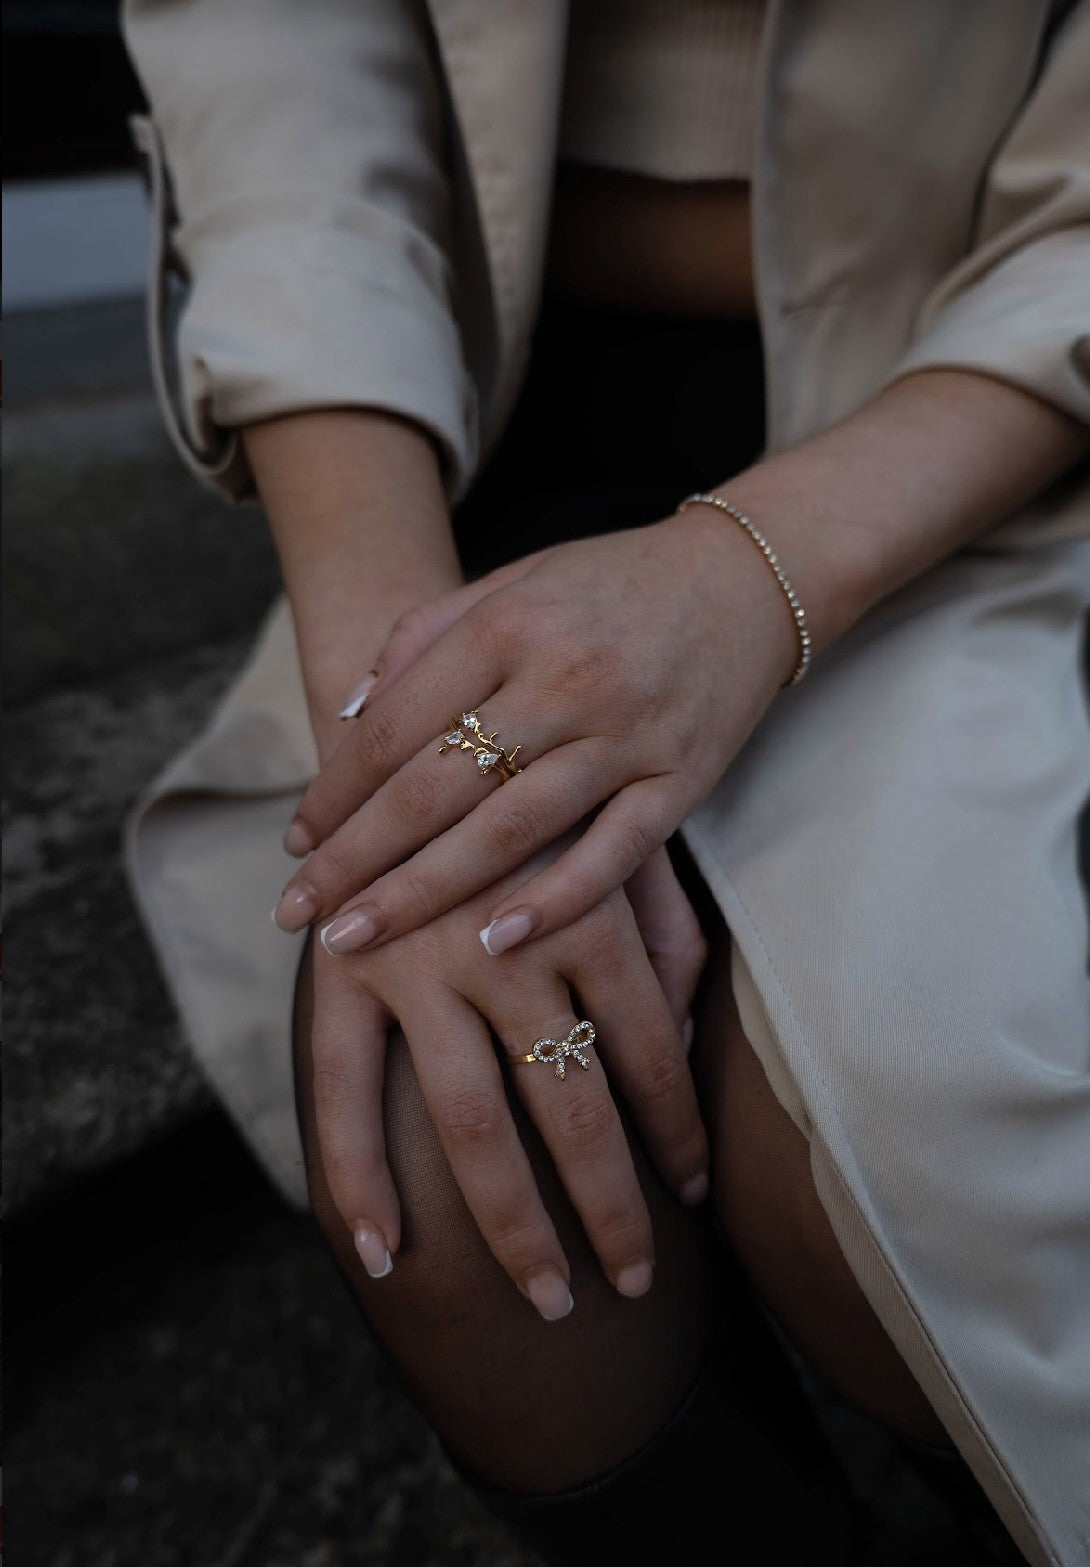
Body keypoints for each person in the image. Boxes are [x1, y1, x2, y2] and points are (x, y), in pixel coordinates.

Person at [120, 3, 1089, 1563]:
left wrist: (738, 581)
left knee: (880, 1146)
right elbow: (275, 79)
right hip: (454, 411)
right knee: (439, 1153)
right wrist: (400, 728)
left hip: (977, 411)